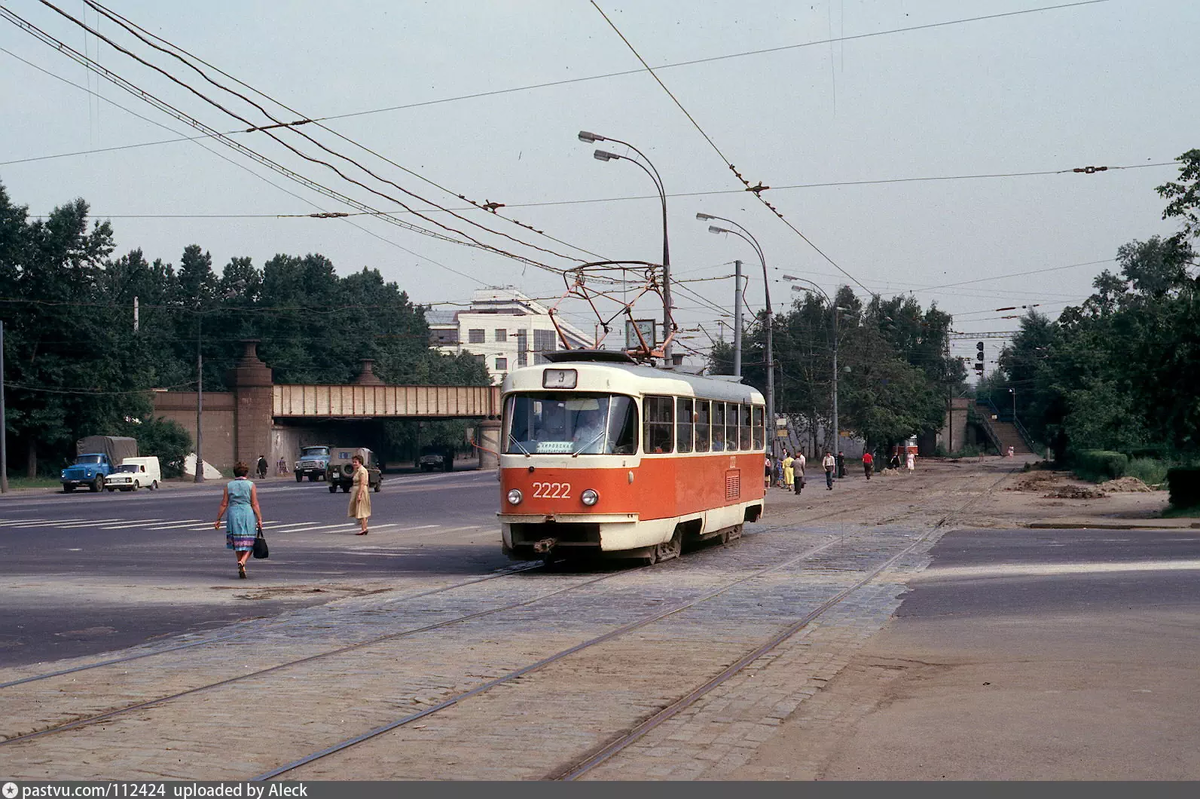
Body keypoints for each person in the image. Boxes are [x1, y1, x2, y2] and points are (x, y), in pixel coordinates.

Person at [213, 461, 263, 579]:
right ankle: (243, 561)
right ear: (246, 472)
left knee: (237, 542)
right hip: (246, 513)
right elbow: (254, 503)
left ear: (234, 472)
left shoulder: (229, 486)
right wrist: (259, 518)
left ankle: (242, 565)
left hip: (233, 513)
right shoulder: (251, 485)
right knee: (250, 541)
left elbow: (224, 504)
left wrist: (218, 519)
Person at [348, 453, 372, 535]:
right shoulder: (358, 470)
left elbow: (362, 483)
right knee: (360, 510)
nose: (354, 464)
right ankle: (364, 528)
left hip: (360, 490)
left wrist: (359, 494)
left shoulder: (362, 470)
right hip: (358, 490)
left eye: (355, 462)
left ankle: (364, 528)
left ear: (360, 462)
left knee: (362, 510)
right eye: (353, 462)